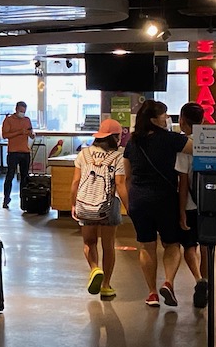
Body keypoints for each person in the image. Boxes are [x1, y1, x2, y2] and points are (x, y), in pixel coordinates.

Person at [122, 100, 188, 308]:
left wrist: (130, 204)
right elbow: (200, 148)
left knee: (146, 246)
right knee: (172, 243)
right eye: (165, 114)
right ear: (153, 119)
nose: (167, 118)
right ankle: (168, 282)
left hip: (139, 200)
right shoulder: (171, 139)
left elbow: (127, 177)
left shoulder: (132, 143)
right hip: (165, 198)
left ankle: (151, 293)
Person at [71, 118, 127, 301]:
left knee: (89, 242)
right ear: (115, 137)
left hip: (85, 204)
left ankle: (95, 268)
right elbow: (120, 183)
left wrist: (73, 204)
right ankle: (106, 286)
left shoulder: (84, 154)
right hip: (108, 206)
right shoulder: (119, 156)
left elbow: (75, 182)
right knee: (108, 246)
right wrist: (129, 206)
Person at [173, 102, 211, 309]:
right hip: (209, 205)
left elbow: (183, 182)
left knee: (189, 246)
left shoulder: (184, 146)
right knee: (206, 247)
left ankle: (199, 280)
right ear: (203, 120)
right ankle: (206, 284)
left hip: (189, 204)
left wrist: (181, 211)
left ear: (182, 120)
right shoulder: (212, 144)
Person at [0, 102, 34, 210]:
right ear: (16, 109)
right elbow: (5, 135)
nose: (22, 113)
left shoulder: (27, 120)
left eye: (24, 111)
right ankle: (6, 198)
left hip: (25, 152)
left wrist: (31, 134)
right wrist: (19, 132)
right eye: (20, 111)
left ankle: (24, 200)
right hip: (13, 152)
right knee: (10, 175)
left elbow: (30, 132)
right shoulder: (8, 120)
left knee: (25, 177)